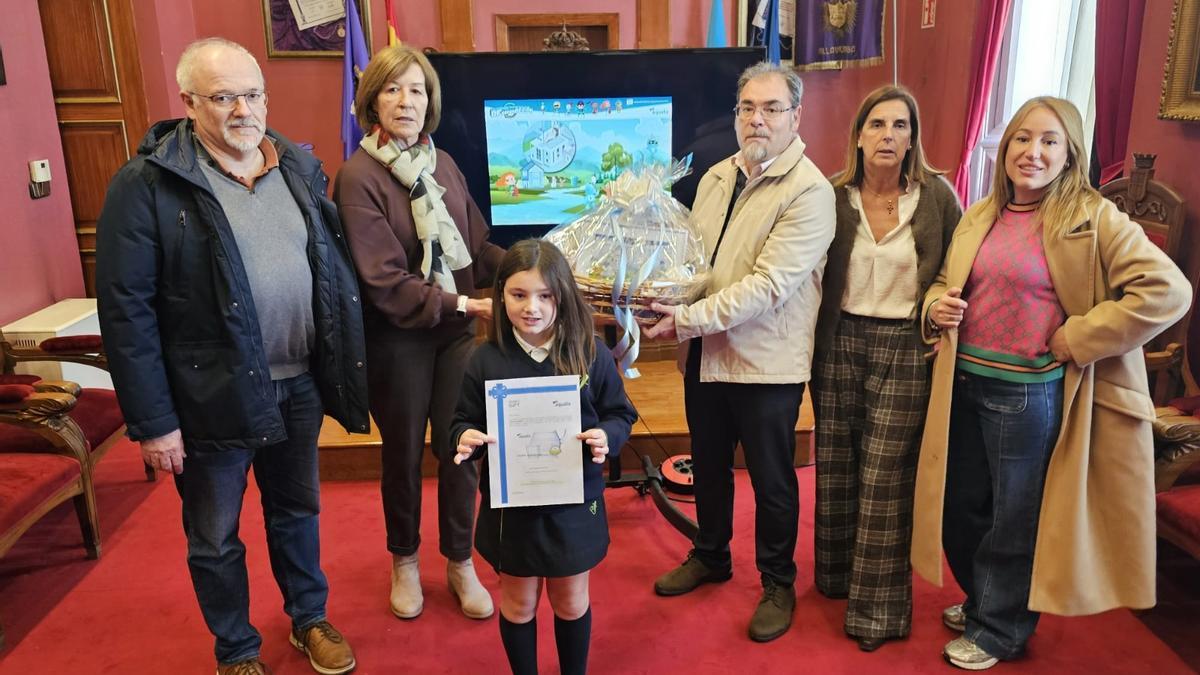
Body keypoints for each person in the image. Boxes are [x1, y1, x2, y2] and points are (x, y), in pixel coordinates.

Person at [94, 38, 367, 675]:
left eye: (253, 93)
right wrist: (154, 420)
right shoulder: (147, 185)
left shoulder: (297, 166)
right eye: (223, 97)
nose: (243, 109)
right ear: (189, 103)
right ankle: (237, 650)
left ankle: (309, 618)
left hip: (298, 386)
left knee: (297, 511)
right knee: (215, 536)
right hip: (208, 396)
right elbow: (125, 311)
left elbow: (326, 269)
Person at [912, 96, 1192, 670]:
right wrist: (936, 305)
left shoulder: (1093, 218)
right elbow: (945, 281)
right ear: (1006, 147)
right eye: (1021, 138)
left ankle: (1001, 627)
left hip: (1028, 396)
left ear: (1069, 155)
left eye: (1048, 142)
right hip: (962, 383)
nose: (1031, 152)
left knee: (1015, 519)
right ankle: (985, 597)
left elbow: (1168, 291)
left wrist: (1081, 335)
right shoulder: (982, 212)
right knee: (961, 509)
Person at [645, 62, 836, 643]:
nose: (757, 119)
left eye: (771, 108)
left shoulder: (811, 192)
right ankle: (711, 554)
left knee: (773, 480)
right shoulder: (716, 177)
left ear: (796, 116)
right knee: (707, 464)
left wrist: (684, 319)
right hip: (705, 354)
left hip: (766, 364)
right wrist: (654, 290)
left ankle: (777, 581)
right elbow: (698, 266)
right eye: (747, 108)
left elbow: (768, 287)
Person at [334, 44, 505, 621]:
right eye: (393, 89)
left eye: (417, 90)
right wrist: (468, 303)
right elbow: (384, 281)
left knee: (462, 448)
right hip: (399, 338)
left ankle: (460, 561)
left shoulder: (443, 163)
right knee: (403, 454)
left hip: (456, 333)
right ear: (372, 101)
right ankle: (404, 560)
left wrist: (536, 265)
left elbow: (477, 249)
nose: (407, 101)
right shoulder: (359, 176)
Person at [811, 85, 962, 652]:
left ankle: (877, 611)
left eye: (901, 126)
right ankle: (835, 577)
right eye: (877, 124)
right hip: (837, 341)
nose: (888, 136)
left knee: (884, 478)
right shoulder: (830, 196)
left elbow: (955, 271)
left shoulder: (937, 198)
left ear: (912, 138)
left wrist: (938, 309)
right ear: (858, 134)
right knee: (837, 465)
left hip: (905, 346)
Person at [450, 239, 637, 675]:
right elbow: (462, 419)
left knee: (571, 602)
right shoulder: (485, 359)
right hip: (511, 506)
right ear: (500, 296)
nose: (530, 307)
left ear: (562, 296)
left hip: (574, 502)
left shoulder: (589, 352)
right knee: (517, 605)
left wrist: (606, 437)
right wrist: (465, 437)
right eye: (518, 295)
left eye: (544, 295)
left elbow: (620, 414)